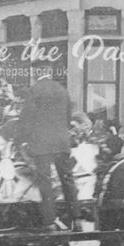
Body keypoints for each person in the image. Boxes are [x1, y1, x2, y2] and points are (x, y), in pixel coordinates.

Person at [17, 73, 76, 230]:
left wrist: (22, 139)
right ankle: (77, 220)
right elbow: (69, 116)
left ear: (36, 73)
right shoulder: (62, 89)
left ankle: (49, 221)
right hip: (62, 141)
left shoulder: (35, 89)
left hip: (42, 142)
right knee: (68, 179)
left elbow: (26, 117)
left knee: (45, 181)